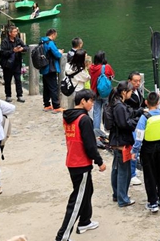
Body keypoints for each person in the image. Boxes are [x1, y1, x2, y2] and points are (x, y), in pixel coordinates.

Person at [54, 89, 105, 240]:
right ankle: (62, 236)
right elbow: (90, 145)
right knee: (76, 199)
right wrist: (99, 161)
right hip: (81, 163)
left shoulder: (68, 116)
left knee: (87, 191)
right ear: (83, 101)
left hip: (72, 159)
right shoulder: (84, 120)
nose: (92, 104)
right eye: (91, 101)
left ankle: (85, 221)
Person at [132, 91, 160, 213]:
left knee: (149, 175)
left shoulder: (144, 117)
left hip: (148, 148)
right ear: (158, 102)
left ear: (146, 103)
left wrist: (135, 151)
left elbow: (139, 136)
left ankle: (153, 202)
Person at [109, 81, 141, 207]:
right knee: (124, 171)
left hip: (116, 140)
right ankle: (123, 198)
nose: (132, 93)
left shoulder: (116, 104)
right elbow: (125, 124)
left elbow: (127, 116)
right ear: (124, 92)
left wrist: (137, 112)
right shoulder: (119, 107)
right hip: (122, 141)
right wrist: (137, 121)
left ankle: (117, 195)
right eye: (130, 91)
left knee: (116, 169)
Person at [125, 71, 145, 186]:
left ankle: (132, 170)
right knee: (134, 148)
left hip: (137, 123)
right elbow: (131, 110)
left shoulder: (136, 91)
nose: (138, 83)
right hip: (133, 123)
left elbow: (141, 103)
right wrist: (141, 111)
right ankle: (132, 174)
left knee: (136, 147)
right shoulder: (128, 94)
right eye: (135, 81)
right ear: (129, 81)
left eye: (139, 81)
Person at [88, 51, 114, 134]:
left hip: (94, 92)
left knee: (96, 111)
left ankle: (96, 131)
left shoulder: (91, 67)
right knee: (107, 111)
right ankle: (107, 129)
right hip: (105, 93)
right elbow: (112, 75)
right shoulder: (106, 67)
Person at [0, 26, 26, 103]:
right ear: (10, 33)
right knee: (7, 80)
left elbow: (25, 47)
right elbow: (2, 53)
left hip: (17, 63)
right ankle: (8, 95)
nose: (16, 33)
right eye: (14, 32)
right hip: (8, 64)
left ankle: (19, 95)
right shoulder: (5, 42)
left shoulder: (18, 40)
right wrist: (12, 51)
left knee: (18, 80)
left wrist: (22, 49)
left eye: (16, 31)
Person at [40, 28, 63, 113]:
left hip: (43, 67)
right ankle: (56, 106)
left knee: (46, 87)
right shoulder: (50, 43)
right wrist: (59, 52)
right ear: (52, 34)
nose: (55, 37)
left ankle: (47, 105)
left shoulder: (41, 42)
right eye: (55, 35)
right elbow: (57, 55)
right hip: (50, 68)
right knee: (53, 87)